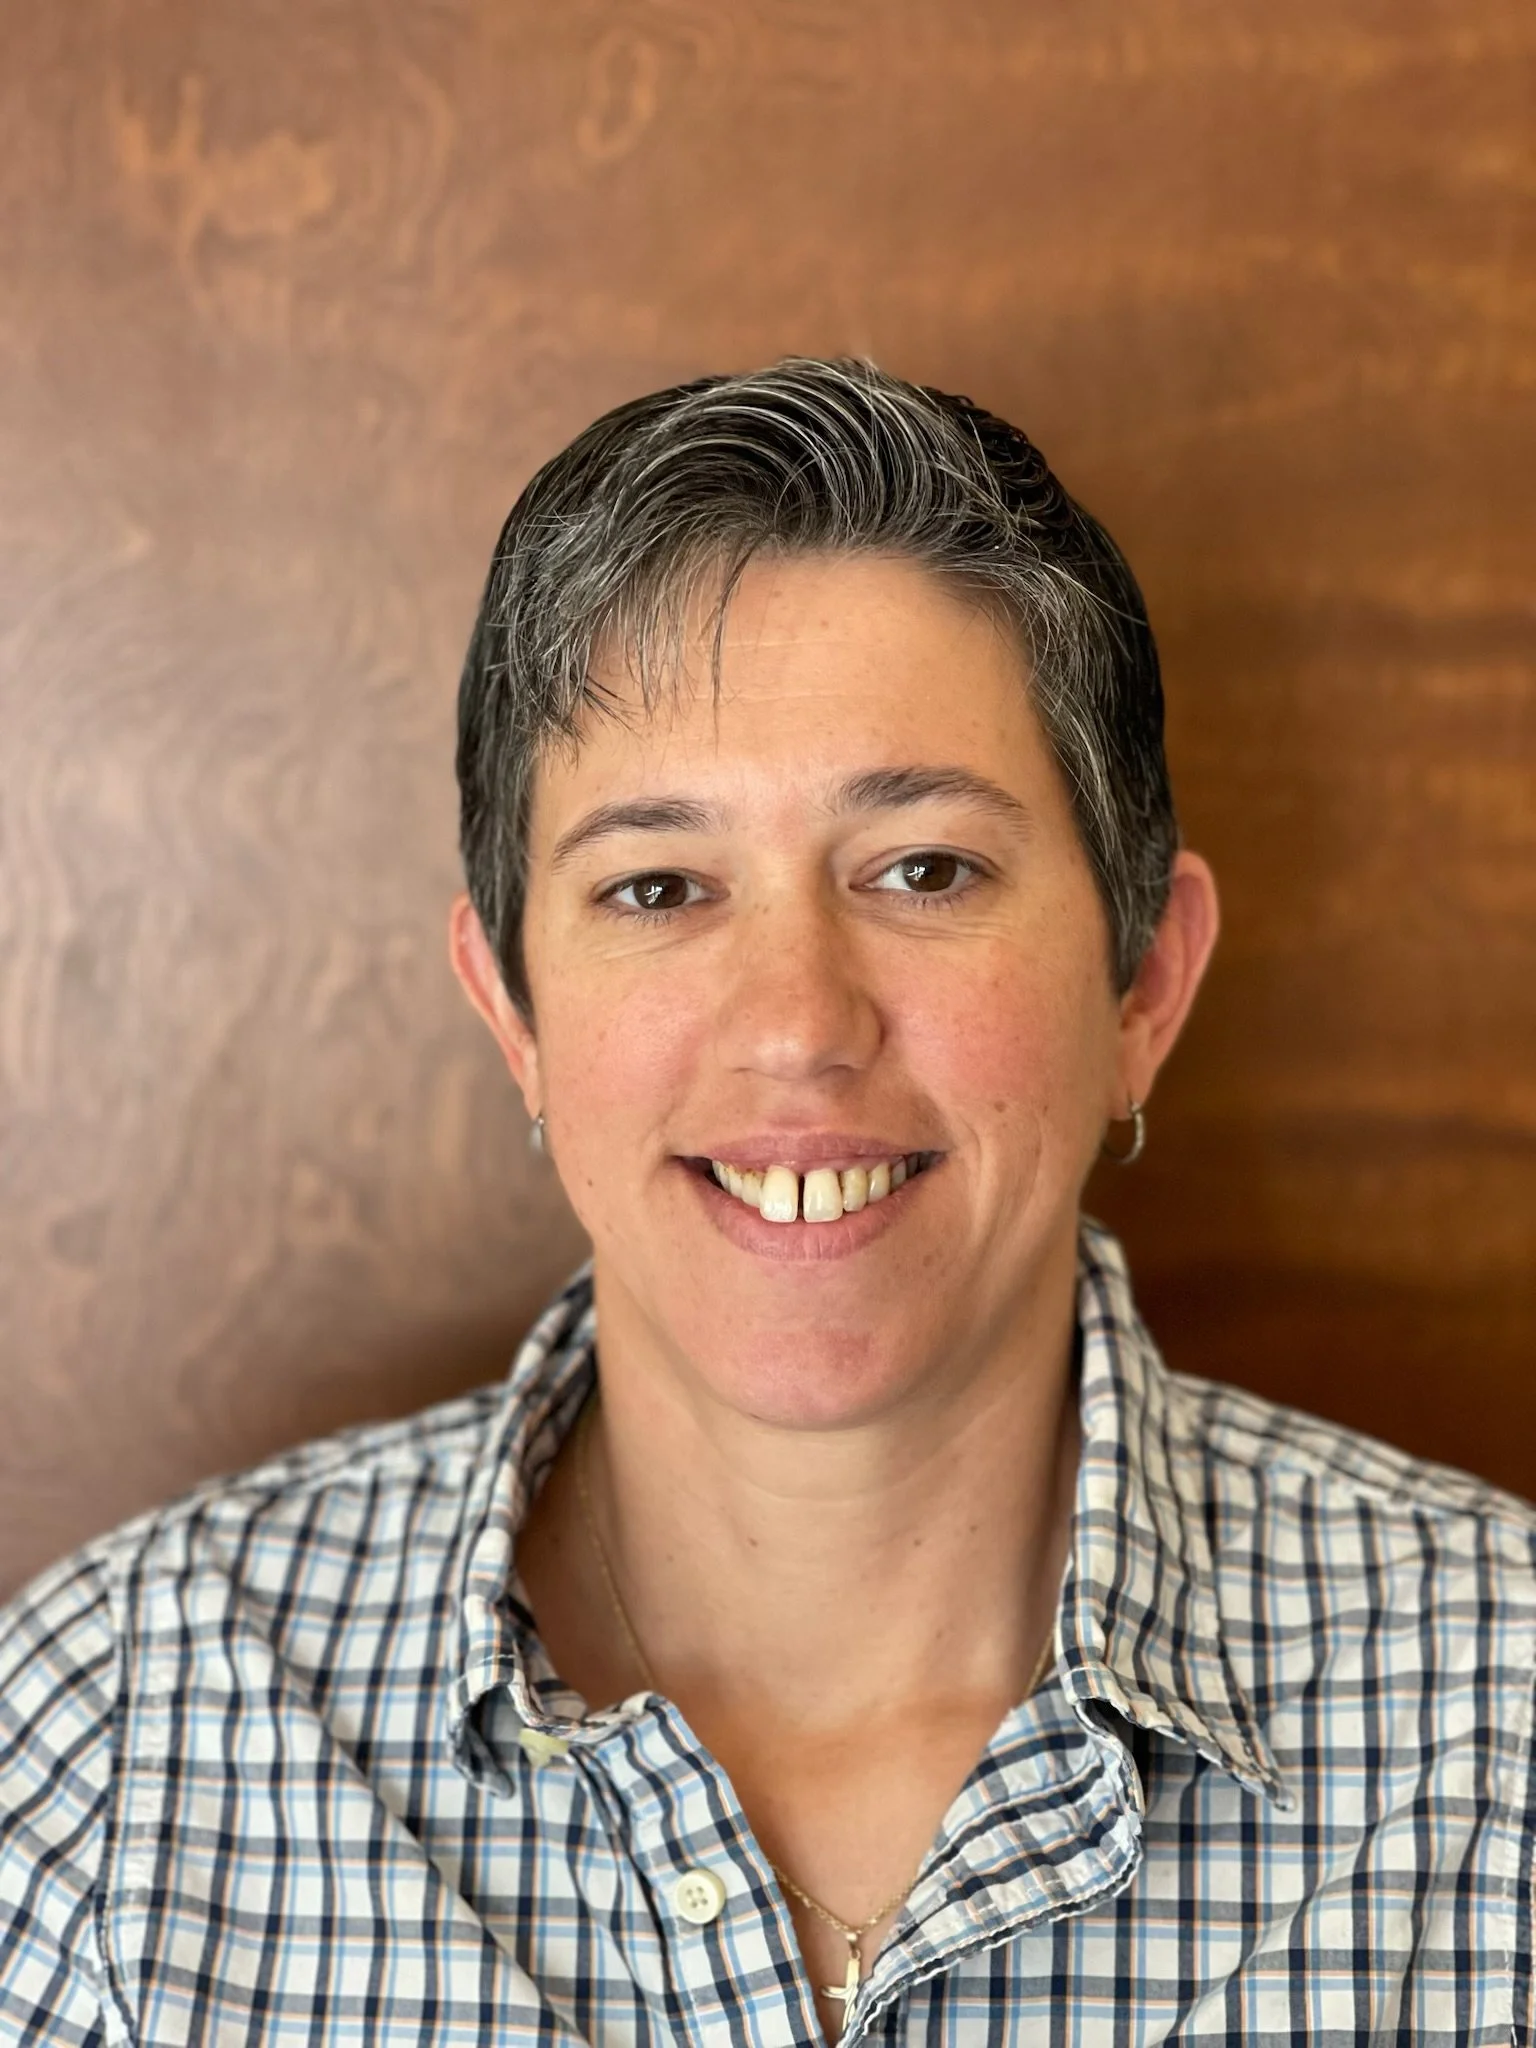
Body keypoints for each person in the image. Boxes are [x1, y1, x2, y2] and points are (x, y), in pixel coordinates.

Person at [2, 359, 1532, 2048]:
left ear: (1142, 985)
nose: (800, 1021)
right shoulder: (116, 1750)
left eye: (926, 869)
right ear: (514, 1014)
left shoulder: (1502, 1729)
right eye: (658, 886)